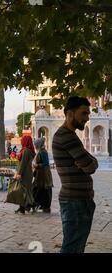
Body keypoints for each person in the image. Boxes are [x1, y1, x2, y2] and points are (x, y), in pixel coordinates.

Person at [52, 96, 97, 253]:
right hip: (75, 202)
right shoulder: (65, 136)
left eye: (88, 113)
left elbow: (91, 162)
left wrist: (89, 161)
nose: (87, 118)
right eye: (83, 113)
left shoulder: (71, 136)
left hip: (79, 201)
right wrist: (89, 161)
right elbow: (90, 166)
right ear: (70, 113)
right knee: (72, 248)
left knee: (76, 247)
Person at [14, 135, 36, 214]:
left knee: (24, 191)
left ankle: (31, 205)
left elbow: (22, 163)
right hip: (27, 173)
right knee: (24, 191)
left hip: (24, 174)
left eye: (22, 140)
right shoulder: (27, 150)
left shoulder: (26, 150)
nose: (21, 142)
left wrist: (19, 173)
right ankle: (22, 208)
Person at [32, 137, 53, 213]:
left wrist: (36, 165)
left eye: (35, 145)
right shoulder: (40, 151)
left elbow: (46, 163)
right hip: (40, 175)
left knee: (42, 190)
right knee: (40, 190)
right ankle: (41, 205)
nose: (34, 146)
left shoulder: (43, 152)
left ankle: (44, 206)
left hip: (44, 176)